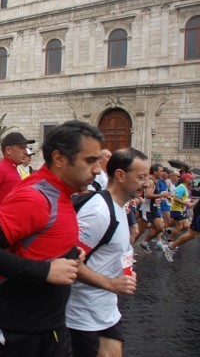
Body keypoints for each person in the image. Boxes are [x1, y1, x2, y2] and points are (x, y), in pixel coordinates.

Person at [0, 120, 103, 356]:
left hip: (52, 326)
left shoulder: (65, 193)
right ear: (59, 159)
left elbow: (43, 236)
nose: (97, 169)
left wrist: (70, 251)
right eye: (90, 160)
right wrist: (45, 271)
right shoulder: (35, 196)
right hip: (18, 329)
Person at [66, 148, 147, 356]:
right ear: (120, 175)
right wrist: (111, 283)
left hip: (106, 309)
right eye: (141, 177)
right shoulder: (98, 213)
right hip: (81, 315)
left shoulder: (120, 207)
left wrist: (124, 274)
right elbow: (68, 262)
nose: (146, 183)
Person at [0, 132, 35, 214]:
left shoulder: (14, 168)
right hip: (1, 223)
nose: (25, 152)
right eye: (21, 148)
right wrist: (4, 213)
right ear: (8, 150)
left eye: (25, 148)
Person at [163, 173, 198, 262]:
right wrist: (186, 203)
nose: (193, 180)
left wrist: (188, 201)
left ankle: (170, 233)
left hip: (182, 209)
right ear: (187, 179)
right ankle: (169, 242)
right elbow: (175, 198)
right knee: (181, 228)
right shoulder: (181, 187)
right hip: (177, 209)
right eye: (191, 178)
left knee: (186, 226)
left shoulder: (186, 188)